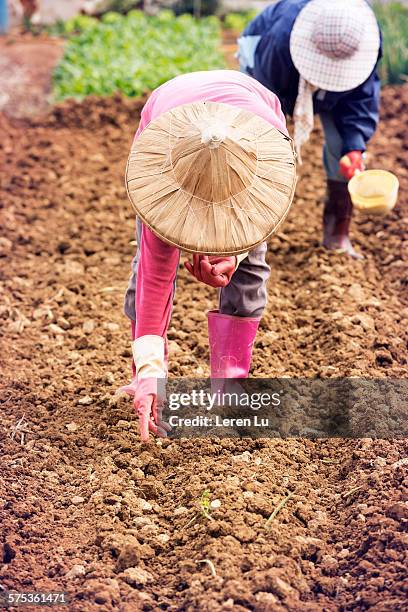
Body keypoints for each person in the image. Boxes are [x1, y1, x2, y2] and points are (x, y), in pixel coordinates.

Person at [119, 70, 297, 441]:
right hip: (172, 124)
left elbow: (259, 223)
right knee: (147, 268)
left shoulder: (265, 162)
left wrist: (237, 254)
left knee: (249, 274)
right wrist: (150, 370)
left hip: (250, 132)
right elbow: (156, 279)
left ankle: (229, 389)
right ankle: (146, 383)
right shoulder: (162, 179)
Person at [238, 0, 382, 258]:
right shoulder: (280, 41)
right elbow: (264, 104)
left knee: (343, 148)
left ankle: (337, 235)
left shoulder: (363, 38)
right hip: (269, 67)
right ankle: (245, 233)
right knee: (254, 146)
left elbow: (361, 98)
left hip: (334, 90)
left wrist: (354, 146)